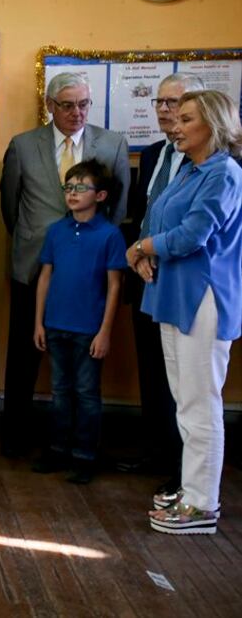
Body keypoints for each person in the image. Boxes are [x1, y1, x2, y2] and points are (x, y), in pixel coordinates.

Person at [0, 71, 130, 457]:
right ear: (50, 106)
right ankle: (16, 437)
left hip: (89, 271)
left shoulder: (112, 144)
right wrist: (32, 240)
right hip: (35, 265)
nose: (77, 113)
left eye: (84, 104)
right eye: (68, 105)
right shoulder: (23, 145)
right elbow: (11, 206)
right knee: (24, 354)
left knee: (85, 365)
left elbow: (118, 209)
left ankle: (79, 445)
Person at [131, 90, 242, 535]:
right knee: (184, 402)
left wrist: (140, 247)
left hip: (204, 298)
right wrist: (145, 249)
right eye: (175, 118)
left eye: (187, 119)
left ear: (214, 125)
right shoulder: (189, 171)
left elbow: (192, 235)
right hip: (174, 295)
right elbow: (159, 222)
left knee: (200, 404)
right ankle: (193, 488)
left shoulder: (225, 173)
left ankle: (202, 505)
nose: (175, 125)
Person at [117, 73, 205, 487]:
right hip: (145, 275)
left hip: (184, 280)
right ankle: (158, 452)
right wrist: (136, 256)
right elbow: (142, 214)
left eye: (177, 102)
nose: (167, 110)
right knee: (152, 370)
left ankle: (184, 468)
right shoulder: (153, 155)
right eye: (161, 102)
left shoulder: (210, 162)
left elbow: (193, 229)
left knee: (184, 380)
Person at [31, 161, 127, 484]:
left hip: (89, 331)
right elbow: (45, 277)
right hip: (55, 325)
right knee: (60, 392)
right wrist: (38, 323)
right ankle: (58, 450)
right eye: (68, 187)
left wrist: (105, 332)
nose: (72, 193)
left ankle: (85, 456)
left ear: (100, 195)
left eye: (80, 187)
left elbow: (114, 286)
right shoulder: (56, 231)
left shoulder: (110, 235)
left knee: (86, 393)